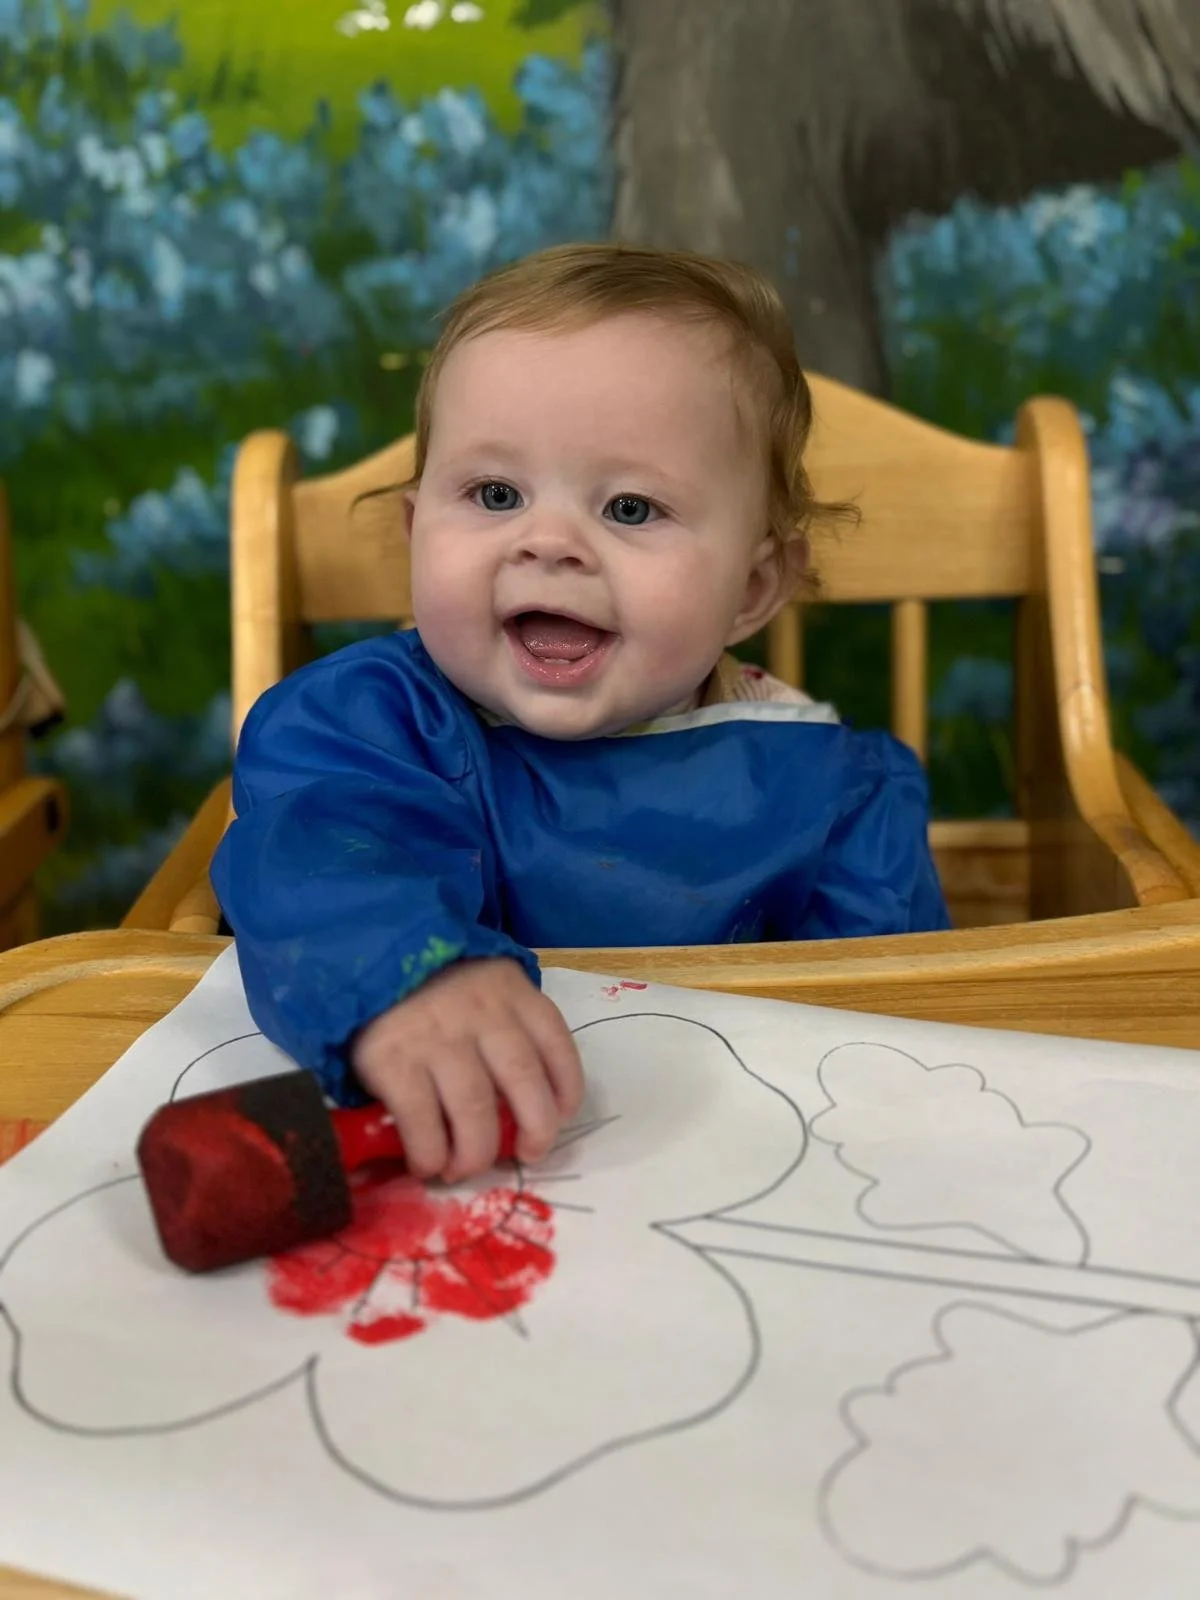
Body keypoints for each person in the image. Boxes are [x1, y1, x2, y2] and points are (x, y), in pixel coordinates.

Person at [212, 242, 950, 1186]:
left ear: (753, 588)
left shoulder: (836, 792)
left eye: (632, 508)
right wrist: (409, 971)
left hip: (723, 1169)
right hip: (461, 1160)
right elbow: (317, 853)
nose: (549, 542)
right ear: (414, 532)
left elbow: (894, 1036)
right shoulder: (364, 729)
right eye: (494, 494)